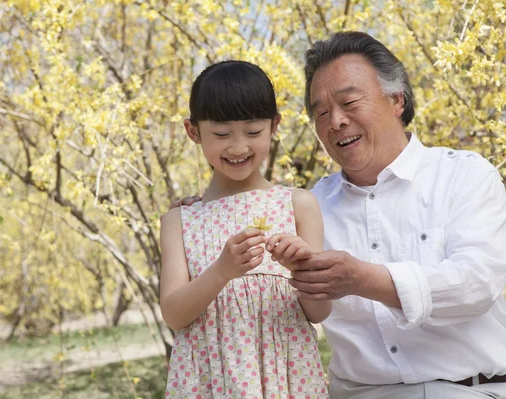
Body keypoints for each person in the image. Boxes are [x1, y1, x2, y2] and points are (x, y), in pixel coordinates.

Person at [172, 32, 506, 398]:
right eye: (321, 113)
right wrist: (204, 210)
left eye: (349, 102)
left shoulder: (464, 176)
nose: (336, 122)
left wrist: (363, 279)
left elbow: (476, 284)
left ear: (397, 99)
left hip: (469, 390)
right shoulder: (307, 206)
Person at [159, 60, 331, 398]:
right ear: (193, 132)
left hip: (285, 378)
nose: (238, 147)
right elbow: (174, 315)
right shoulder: (179, 220)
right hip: (210, 382)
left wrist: (302, 269)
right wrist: (222, 271)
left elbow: (319, 313)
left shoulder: (299, 205)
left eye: (253, 132)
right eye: (222, 134)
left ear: (274, 126)